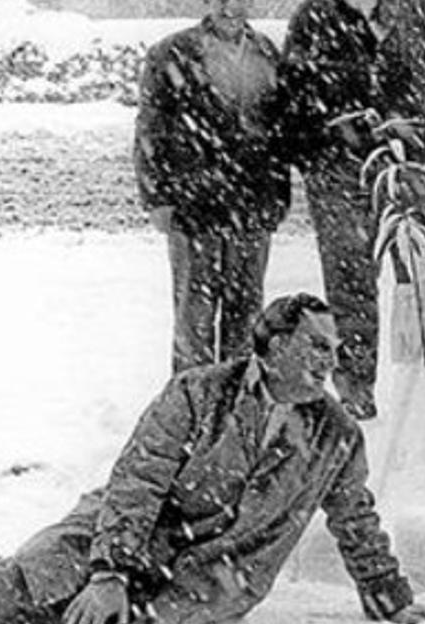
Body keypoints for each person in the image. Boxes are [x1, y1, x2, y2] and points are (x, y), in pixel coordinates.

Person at [0, 293, 425, 624]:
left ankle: (13, 577)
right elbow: (138, 482)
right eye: (315, 346)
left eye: (333, 349)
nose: (328, 362)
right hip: (129, 531)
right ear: (276, 345)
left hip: (215, 573)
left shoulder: (337, 435)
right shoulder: (198, 392)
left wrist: (388, 597)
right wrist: (109, 571)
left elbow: (355, 519)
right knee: (28, 587)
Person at [279, 0, 425, 419]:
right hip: (339, 176)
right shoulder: (315, 16)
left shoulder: (417, 9)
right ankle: (355, 395)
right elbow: (291, 97)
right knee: (349, 287)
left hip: (415, 167)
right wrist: (324, 142)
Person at [134, 0, 291, 374]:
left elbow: (279, 129)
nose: (229, 8)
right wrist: (157, 198)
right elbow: (150, 130)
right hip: (193, 208)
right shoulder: (172, 53)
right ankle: (193, 400)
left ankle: (237, 400)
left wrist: (277, 195)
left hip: (251, 205)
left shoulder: (267, 53)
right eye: (220, 0)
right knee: (195, 315)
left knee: (247, 314)